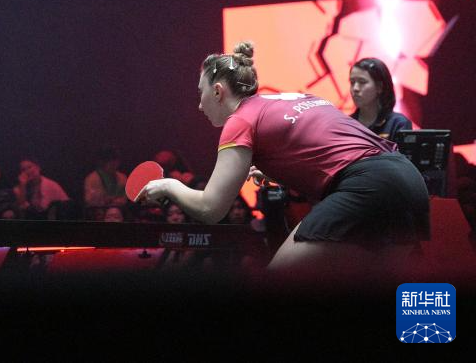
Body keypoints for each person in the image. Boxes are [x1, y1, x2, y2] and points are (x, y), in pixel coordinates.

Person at [135, 41, 429, 277]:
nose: (200, 105)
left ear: (218, 91)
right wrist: (278, 170)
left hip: (368, 187)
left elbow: (211, 208)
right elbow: (329, 147)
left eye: (201, 94)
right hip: (408, 181)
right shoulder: (294, 98)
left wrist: (168, 185)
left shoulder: (239, 121)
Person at [348, 57, 412, 139]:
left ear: (379, 87)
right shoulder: (345, 124)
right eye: (352, 82)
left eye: (362, 82)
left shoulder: (398, 123)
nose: (355, 88)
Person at [83, 145, 127, 210]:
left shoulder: (123, 178)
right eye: (109, 161)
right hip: (99, 213)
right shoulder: (92, 178)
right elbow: (90, 200)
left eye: (115, 160)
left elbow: (124, 199)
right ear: (102, 162)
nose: (113, 164)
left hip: (120, 212)